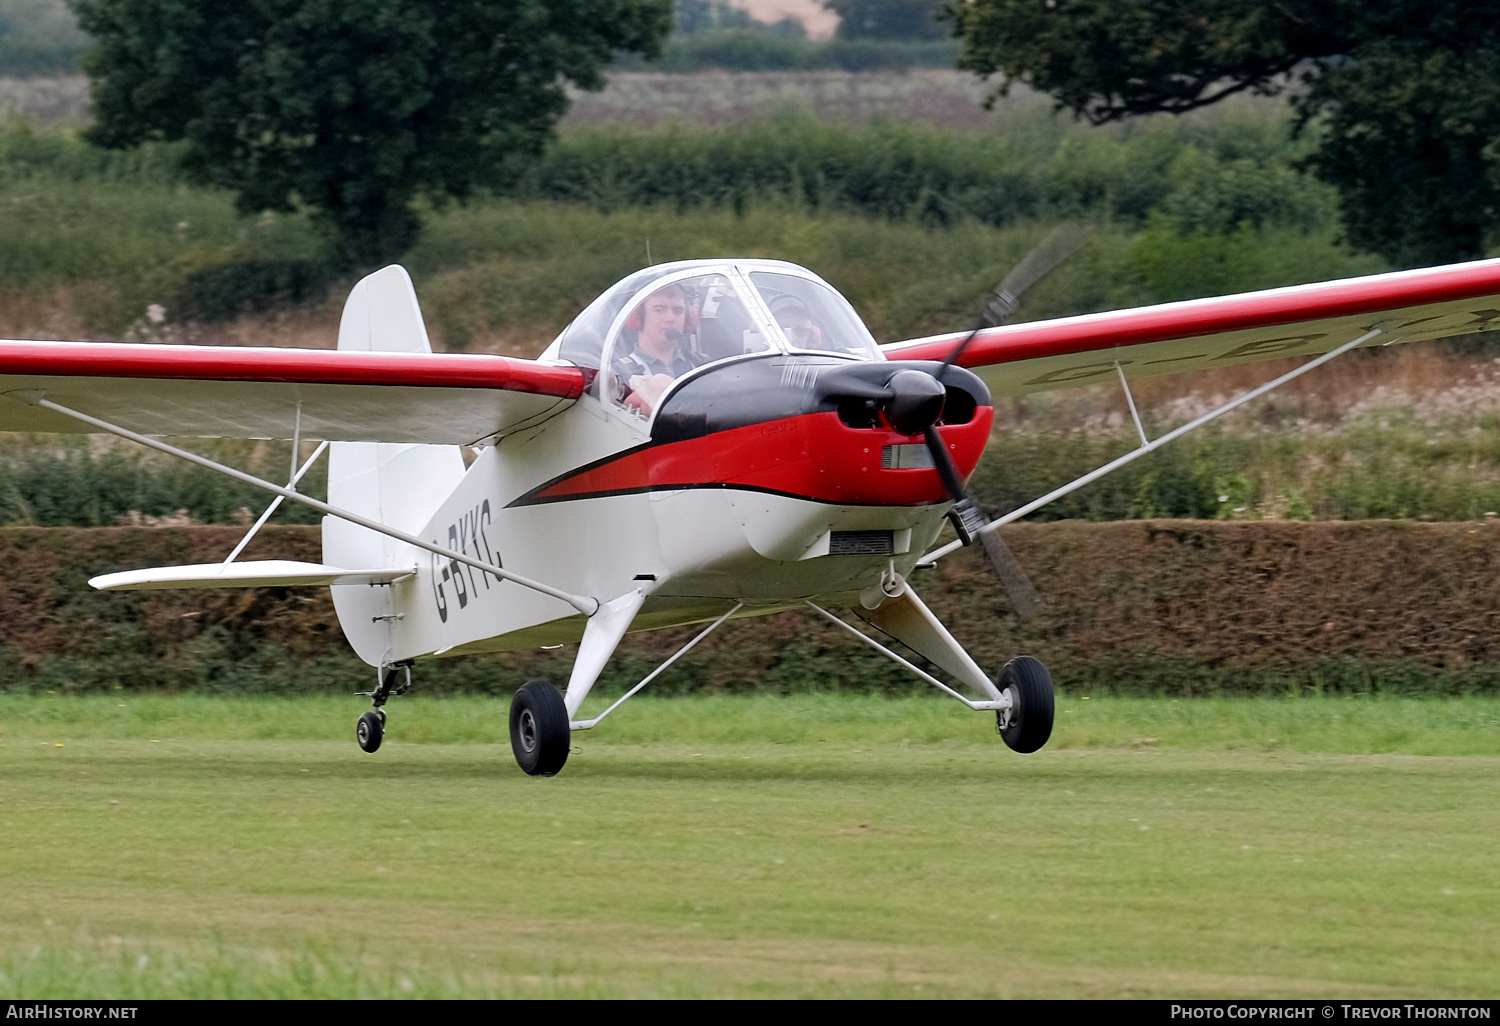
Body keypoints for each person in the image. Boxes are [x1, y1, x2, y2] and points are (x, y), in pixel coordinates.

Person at [611, 282, 704, 415]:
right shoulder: (617, 375)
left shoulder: (700, 365)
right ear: (638, 317)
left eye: (678, 311)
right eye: (659, 310)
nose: (670, 318)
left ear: (688, 318)